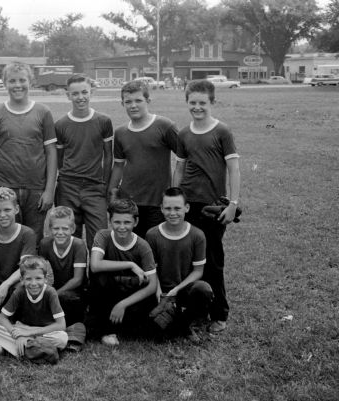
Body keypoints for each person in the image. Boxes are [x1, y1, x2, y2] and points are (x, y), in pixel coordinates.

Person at [173, 79, 241, 333]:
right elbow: (179, 168)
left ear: (212, 102)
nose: (197, 107)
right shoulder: (183, 134)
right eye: (193, 102)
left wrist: (232, 204)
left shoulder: (221, 131)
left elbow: (233, 168)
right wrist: (176, 200)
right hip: (188, 205)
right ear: (187, 102)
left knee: (212, 260)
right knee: (189, 259)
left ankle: (219, 313)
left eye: (203, 103)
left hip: (213, 206)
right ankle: (194, 307)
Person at [0, 62, 57, 243]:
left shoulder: (43, 112)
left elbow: (51, 152)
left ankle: (32, 271)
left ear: (31, 81)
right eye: (12, 81)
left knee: (34, 237)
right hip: (5, 187)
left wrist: (49, 190)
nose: (17, 85)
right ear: (4, 83)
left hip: (36, 189)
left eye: (22, 80)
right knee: (8, 237)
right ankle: (7, 271)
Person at [108, 80, 179, 239]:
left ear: (148, 101)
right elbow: (118, 166)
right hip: (129, 203)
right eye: (128, 102)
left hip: (157, 201)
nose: (133, 105)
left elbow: (183, 159)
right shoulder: (120, 132)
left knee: (155, 247)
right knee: (131, 246)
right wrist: (112, 193)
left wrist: (175, 193)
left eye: (138, 100)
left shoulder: (165, 126)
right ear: (122, 103)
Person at [86, 198, 158, 346]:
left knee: (149, 326)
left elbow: (152, 285)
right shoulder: (103, 236)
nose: (122, 227)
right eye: (117, 222)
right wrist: (130, 264)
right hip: (108, 292)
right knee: (98, 276)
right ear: (110, 221)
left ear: (135, 222)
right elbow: (95, 265)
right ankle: (107, 330)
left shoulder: (142, 246)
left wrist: (122, 305)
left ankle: (120, 324)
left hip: (130, 294)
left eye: (127, 222)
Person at [146, 187, 213, 340]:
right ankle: (169, 319)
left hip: (183, 291)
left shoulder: (197, 235)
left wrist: (176, 290)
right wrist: (159, 293)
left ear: (187, 208)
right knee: (154, 333)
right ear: (161, 209)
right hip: (159, 292)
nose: (172, 213)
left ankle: (185, 324)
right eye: (168, 208)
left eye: (177, 208)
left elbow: (198, 271)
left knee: (203, 290)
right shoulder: (152, 234)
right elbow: (151, 269)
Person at [54, 74, 113, 249]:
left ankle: (96, 275)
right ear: (68, 95)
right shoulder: (61, 124)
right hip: (68, 187)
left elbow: (108, 156)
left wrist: (106, 185)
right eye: (75, 94)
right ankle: (75, 276)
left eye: (84, 92)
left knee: (99, 240)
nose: (80, 97)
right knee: (70, 239)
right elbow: (59, 158)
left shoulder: (103, 121)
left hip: (95, 187)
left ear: (91, 92)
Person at [0, 256, 67, 362]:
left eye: (38, 278)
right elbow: (2, 318)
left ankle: (12, 350)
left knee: (62, 338)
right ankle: (35, 349)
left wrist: (29, 334)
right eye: (28, 279)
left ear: (45, 279)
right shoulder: (19, 292)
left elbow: (61, 325)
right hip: (22, 329)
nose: (33, 283)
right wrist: (18, 336)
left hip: (42, 331)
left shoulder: (50, 293)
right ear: (22, 280)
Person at [0, 187, 37, 325]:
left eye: (7, 210)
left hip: (20, 285)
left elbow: (25, 267)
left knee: (19, 291)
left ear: (16, 209)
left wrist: (5, 285)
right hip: (0, 288)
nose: (2, 215)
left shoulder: (27, 234)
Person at [38, 206, 87, 325]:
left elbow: (78, 279)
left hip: (74, 291)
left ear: (73, 228)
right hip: (54, 288)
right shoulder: (45, 244)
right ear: (50, 229)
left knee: (66, 299)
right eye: (56, 228)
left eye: (65, 228)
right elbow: (40, 271)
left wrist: (54, 294)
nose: (60, 232)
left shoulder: (78, 245)